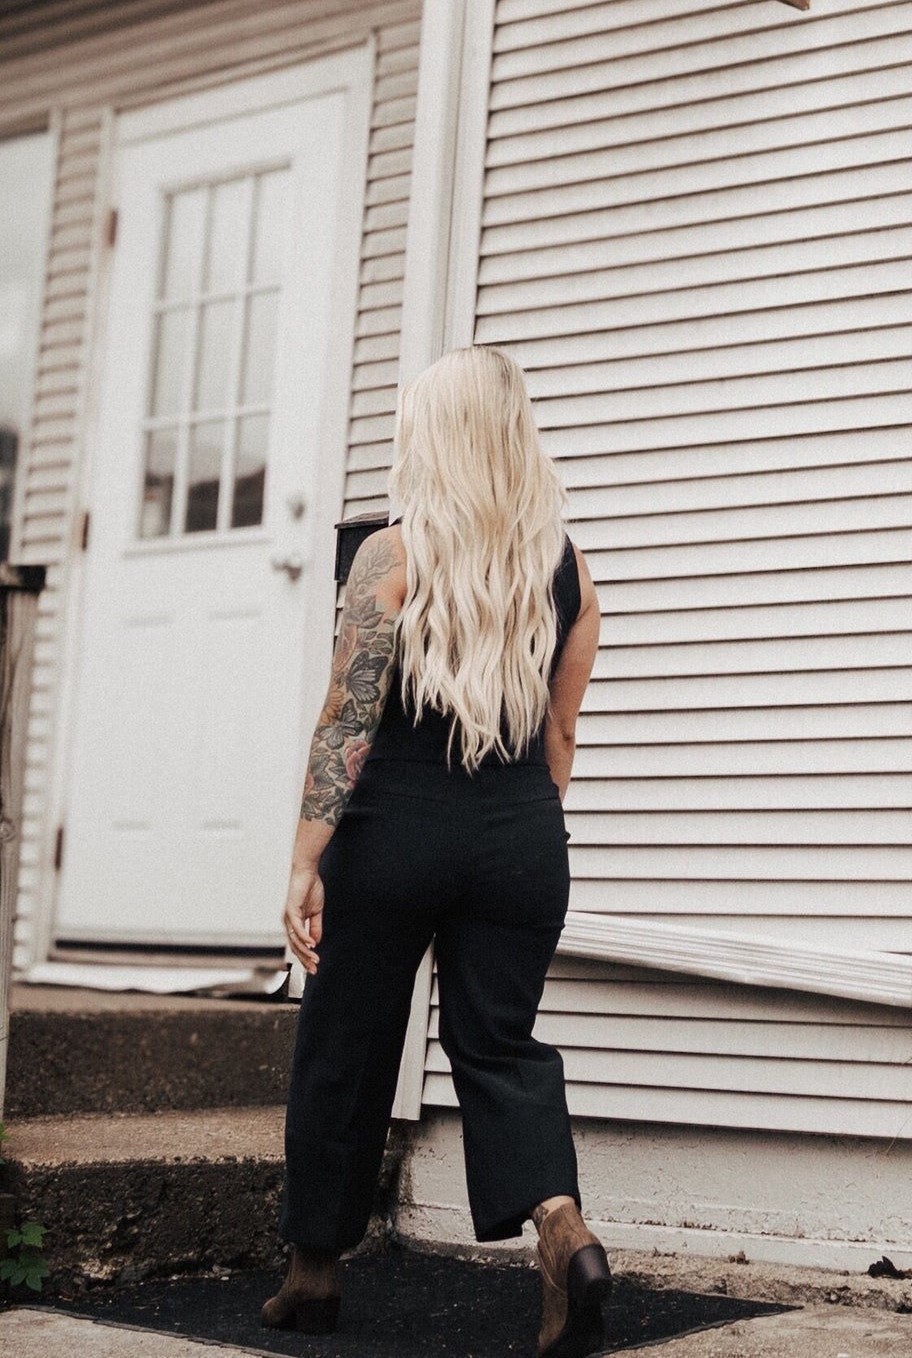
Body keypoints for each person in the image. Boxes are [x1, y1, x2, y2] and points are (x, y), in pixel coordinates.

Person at [268, 345, 609, 1354]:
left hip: (394, 836)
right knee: (500, 1045)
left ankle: (314, 1275)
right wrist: (516, 834)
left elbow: (347, 721)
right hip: (521, 836)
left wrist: (305, 861)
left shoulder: (392, 555)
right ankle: (564, 1230)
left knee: (348, 1040)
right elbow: (561, 734)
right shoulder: (569, 568)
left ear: (434, 438)